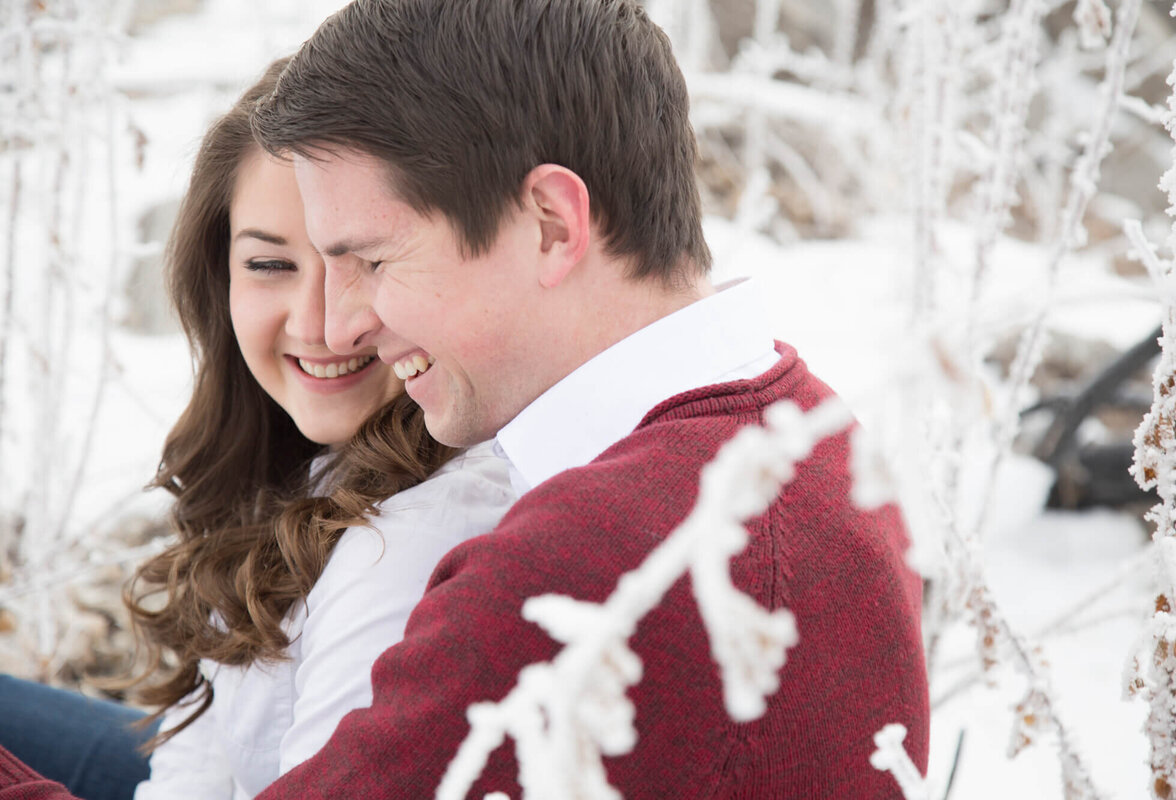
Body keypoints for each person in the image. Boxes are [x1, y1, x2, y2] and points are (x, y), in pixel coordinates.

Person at [0, 0, 928, 798]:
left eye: (370, 260)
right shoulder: (803, 432)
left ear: (552, 225)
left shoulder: (583, 562)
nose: (346, 322)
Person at [0, 57, 515, 800]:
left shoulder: (415, 541)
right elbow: (192, 768)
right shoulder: (299, 457)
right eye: (270, 263)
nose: (320, 324)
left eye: (366, 263)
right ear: (221, 276)